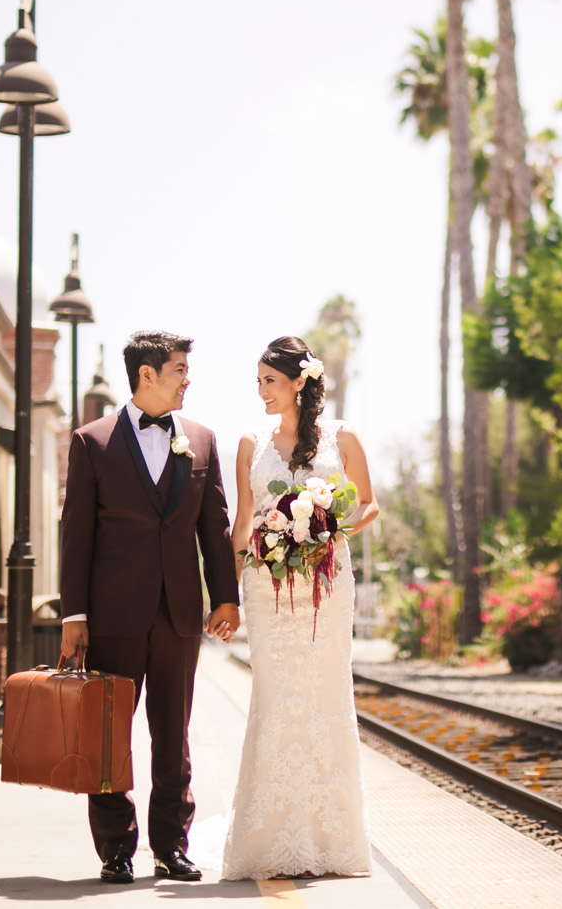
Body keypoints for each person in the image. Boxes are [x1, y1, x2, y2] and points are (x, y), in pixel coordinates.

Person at [58, 330, 240, 884]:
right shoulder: (92, 441)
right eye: (180, 369)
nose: (188, 379)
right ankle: (115, 847)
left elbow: (215, 527)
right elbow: (77, 535)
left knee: (173, 735)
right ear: (147, 375)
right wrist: (75, 616)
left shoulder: (203, 441)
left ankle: (170, 845)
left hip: (180, 614)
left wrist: (226, 596)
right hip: (113, 617)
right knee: (109, 736)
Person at [220, 335, 381, 881]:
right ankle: (266, 842)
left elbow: (367, 502)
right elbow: (242, 523)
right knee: (273, 698)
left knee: (326, 697)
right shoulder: (249, 442)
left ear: (298, 382)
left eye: (269, 380)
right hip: (266, 591)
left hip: (328, 586)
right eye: (259, 381)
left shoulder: (343, 436)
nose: (261, 391)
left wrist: (324, 528)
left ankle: (332, 841)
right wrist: (225, 590)